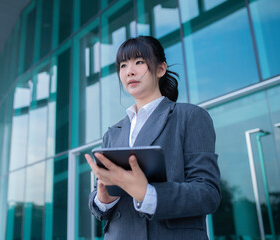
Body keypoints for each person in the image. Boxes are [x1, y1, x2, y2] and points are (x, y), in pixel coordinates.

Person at [85, 36, 221, 240]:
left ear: (160, 69)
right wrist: (104, 198)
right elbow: (100, 207)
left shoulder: (189, 117)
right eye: (123, 65)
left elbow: (208, 193)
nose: (129, 71)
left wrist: (146, 192)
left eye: (139, 62)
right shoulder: (113, 133)